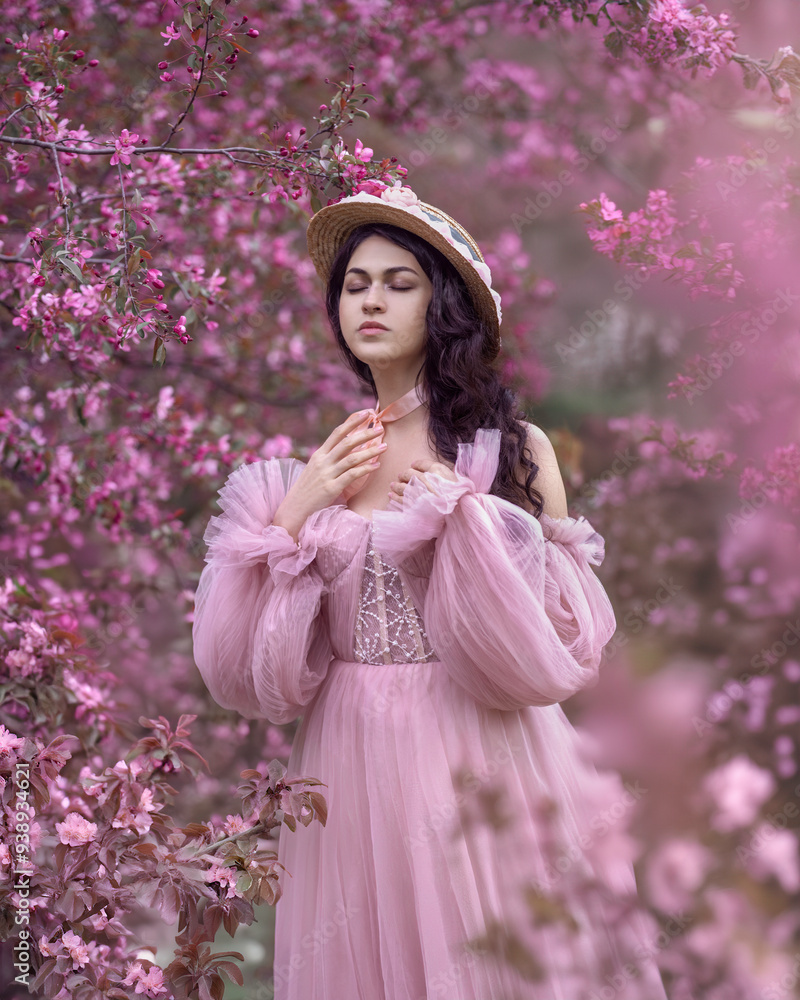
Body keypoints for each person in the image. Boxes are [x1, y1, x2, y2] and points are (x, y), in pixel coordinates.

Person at [192, 185, 670, 999]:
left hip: (476, 747)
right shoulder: (331, 458)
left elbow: (564, 637)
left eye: (398, 282)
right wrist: (298, 510)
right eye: (355, 284)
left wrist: (468, 518)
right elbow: (257, 673)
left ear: (443, 305)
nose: (370, 300)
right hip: (346, 753)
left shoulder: (514, 448)